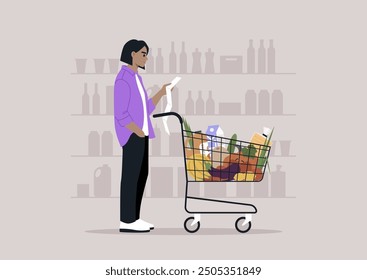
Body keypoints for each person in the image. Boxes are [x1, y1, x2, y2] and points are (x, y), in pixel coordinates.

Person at [114, 39, 172, 233]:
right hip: (132, 134)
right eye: (143, 54)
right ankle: (126, 220)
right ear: (132, 54)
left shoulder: (137, 78)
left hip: (142, 134)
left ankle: (134, 218)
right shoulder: (123, 78)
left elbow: (145, 108)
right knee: (131, 177)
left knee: (141, 175)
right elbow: (121, 113)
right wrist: (136, 130)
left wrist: (162, 93)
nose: (146, 58)